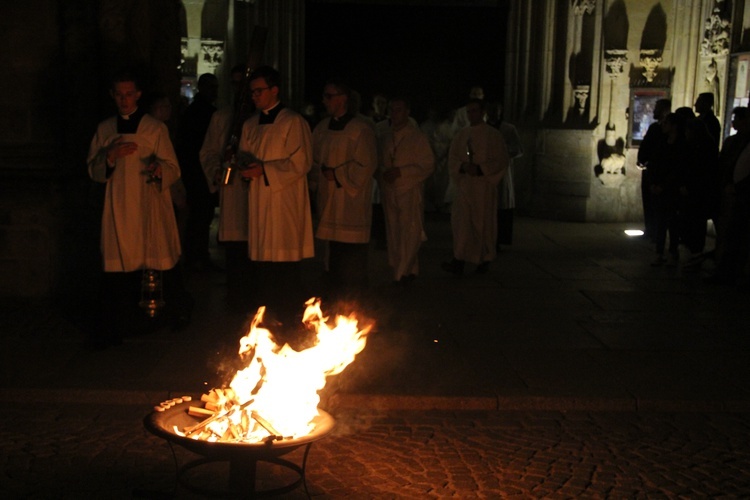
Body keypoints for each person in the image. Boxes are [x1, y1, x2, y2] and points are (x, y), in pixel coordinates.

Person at [87, 71, 189, 348]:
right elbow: (93, 170)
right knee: (119, 262)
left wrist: (159, 170)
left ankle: (166, 316)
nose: (124, 99)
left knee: (156, 258)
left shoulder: (155, 129)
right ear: (113, 95)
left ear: (138, 95)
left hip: (149, 204)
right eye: (119, 94)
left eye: (129, 94)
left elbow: (173, 166)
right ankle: (121, 323)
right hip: (118, 205)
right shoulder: (105, 129)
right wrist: (109, 157)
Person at [236, 65, 315, 324]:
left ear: (274, 90)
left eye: (259, 91)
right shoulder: (249, 124)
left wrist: (265, 170)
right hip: (259, 199)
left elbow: (301, 162)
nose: (255, 96)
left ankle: (290, 315)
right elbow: (245, 156)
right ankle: (266, 315)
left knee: (284, 263)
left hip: (284, 201)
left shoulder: (293, 121)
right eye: (252, 92)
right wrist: (243, 167)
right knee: (263, 263)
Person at [311, 78, 378, 293]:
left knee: (351, 255)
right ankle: (333, 292)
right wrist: (318, 177)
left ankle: (353, 299)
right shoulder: (321, 128)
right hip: (328, 198)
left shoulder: (360, 129)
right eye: (324, 96)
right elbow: (312, 160)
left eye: (329, 96)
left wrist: (338, 175)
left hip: (350, 202)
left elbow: (367, 164)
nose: (324, 101)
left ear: (343, 99)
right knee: (332, 251)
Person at [199, 64, 254, 311]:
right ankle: (236, 296)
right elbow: (208, 151)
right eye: (234, 83)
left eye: (243, 83)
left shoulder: (261, 120)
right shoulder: (221, 117)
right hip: (232, 191)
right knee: (235, 248)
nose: (238, 88)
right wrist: (217, 171)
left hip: (258, 192)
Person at [442, 98, 509, 275]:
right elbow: (453, 158)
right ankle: (459, 258)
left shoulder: (493, 135)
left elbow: (501, 160)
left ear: (482, 112)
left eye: (475, 111)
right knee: (462, 223)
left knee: (483, 223)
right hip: (465, 186)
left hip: (483, 187)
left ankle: (484, 259)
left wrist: (481, 169)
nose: (472, 115)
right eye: (469, 111)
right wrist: (463, 167)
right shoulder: (461, 135)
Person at [377, 96, 435, 285]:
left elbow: (427, 165)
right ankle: (407, 268)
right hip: (390, 191)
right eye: (392, 110)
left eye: (399, 109)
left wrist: (402, 171)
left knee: (409, 231)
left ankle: (402, 272)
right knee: (394, 232)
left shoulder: (417, 137)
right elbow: (381, 161)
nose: (394, 114)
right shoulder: (386, 136)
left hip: (409, 190)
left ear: (407, 112)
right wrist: (384, 173)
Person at [175, 73, 220, 272]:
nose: (215, 91)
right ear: (202, 88)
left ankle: (196, 256)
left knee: (201, 216)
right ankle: (197, 256)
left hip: (196, 171)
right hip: (199, 172)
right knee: (200, 216)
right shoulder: (205, 113)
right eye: (211, 87)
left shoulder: (196, 111)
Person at [649, 112, 686, 267]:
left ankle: (672, 251)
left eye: (666, 123)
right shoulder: (662, 142)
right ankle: (659, 252)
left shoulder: (681, 145)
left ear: (673, 126)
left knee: (672, 221)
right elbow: (655, 163)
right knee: (660, 222)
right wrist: (653, 183)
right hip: (660, 187)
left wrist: (664, 185)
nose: (662, 125)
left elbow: (678, 169)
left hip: (672, 189)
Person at [487, 101, 523, 250]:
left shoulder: (508, 129)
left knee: (501, 206)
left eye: (497, 109)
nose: (494, 113)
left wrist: (501, 152)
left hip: (502, 172)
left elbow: (518, 149)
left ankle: (499, 239)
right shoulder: (482, 129)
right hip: (486, 172)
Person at [637, 98, 671, 242]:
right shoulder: (654, 127)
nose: (654, 111)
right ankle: (650, 229)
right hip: (649, 170)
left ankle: (657, 233)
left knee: (657, 204)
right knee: (648, 201)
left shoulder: (665, 130)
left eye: (657, 108)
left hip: (658, 172)